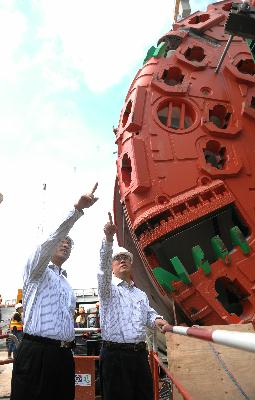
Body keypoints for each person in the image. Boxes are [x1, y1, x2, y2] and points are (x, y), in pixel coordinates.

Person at [10, 184, 98, 400]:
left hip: (63, 355)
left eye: (69, 244)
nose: (65, 244)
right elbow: (51, 238)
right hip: (36, 353)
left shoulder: (66, 285)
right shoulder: (36, 271)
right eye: (62, 241)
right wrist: (77, 209)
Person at [98, 212, 168, 400]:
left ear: (131, 264)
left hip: (138, 356)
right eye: (117, 258)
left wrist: (158, 319)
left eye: (126, 258)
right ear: (112, 267)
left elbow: (149, 316)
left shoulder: (140, 295)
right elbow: (102, 270)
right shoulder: (107, 290)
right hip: (114, 356)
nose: (122, 260)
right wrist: (108, 240)